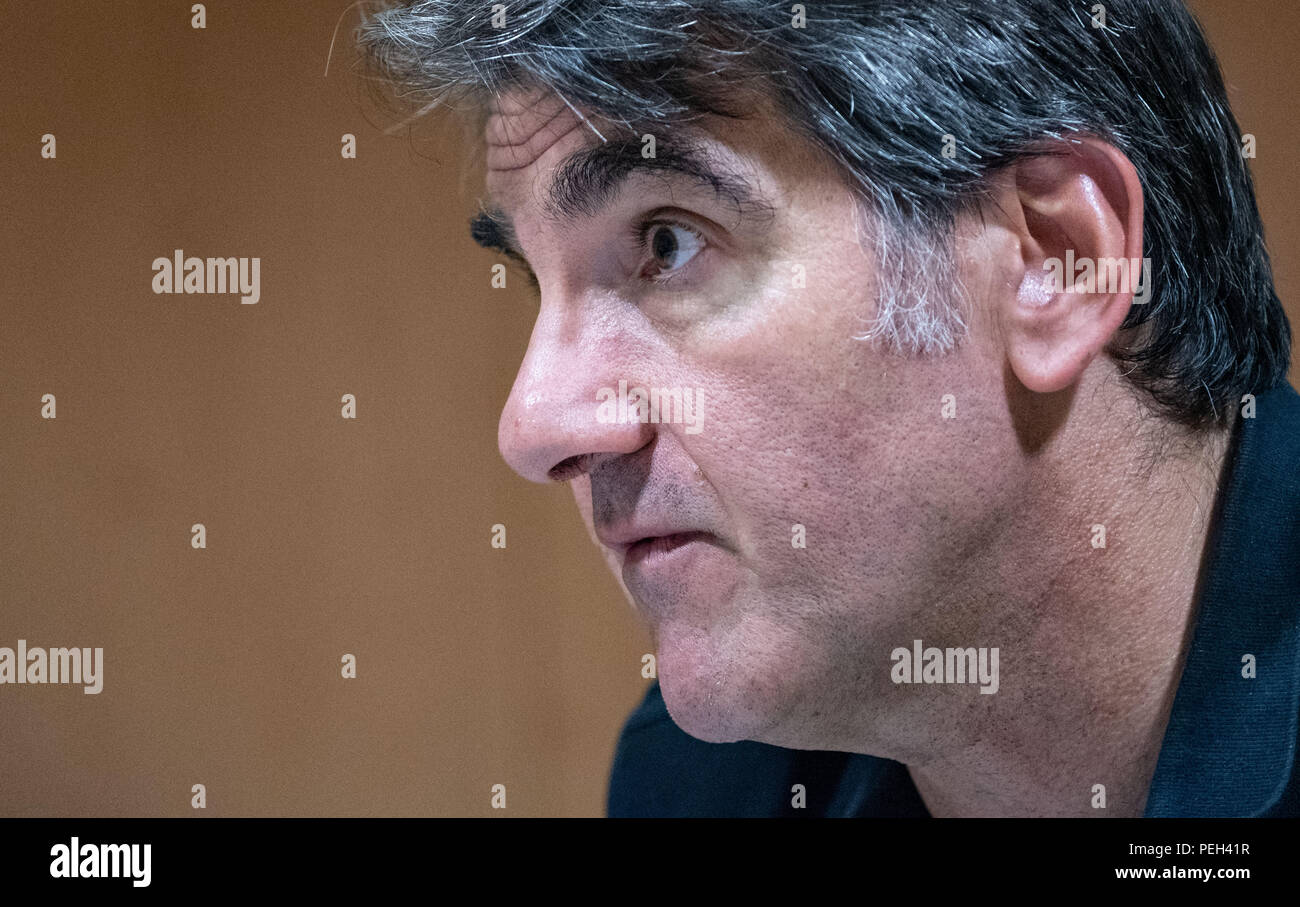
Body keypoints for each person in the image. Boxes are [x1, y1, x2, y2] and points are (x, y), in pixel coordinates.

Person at [359, 0, 1298, 816]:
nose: (534, 425)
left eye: (668, 242)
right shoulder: (702, 786)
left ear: (1053, 260)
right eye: (537, 280)